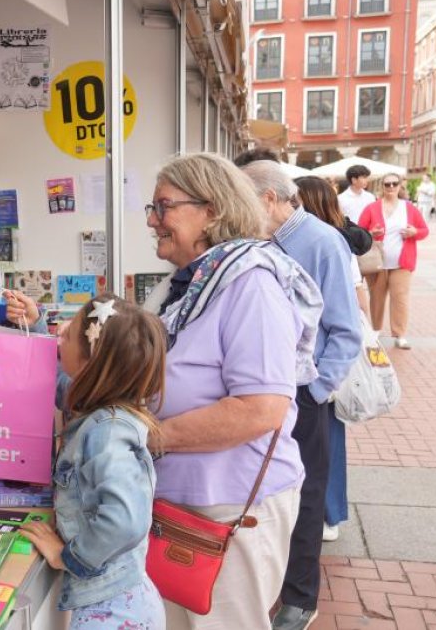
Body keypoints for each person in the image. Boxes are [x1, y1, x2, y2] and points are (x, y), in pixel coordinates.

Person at [144, 153, 321, 629]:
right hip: (186, 500)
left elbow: (259, 409)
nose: (151, 221)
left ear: (213, 210)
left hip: (230, 506)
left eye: (163, 207)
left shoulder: (250, 285)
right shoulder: (191, 282)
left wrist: (148, 437)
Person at [242, 162, 361, 630]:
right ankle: (270, 583)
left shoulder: (321, 242)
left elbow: (346, 331)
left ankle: (300, 598)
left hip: (301, 393)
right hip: (261, 392)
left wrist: (313, 391)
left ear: (269, 199)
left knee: (308, 496)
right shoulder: (259, 240)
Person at [19, 294, 166, 630]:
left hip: (112, 614)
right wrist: (36, 325)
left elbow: (125, 520)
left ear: (90, 365)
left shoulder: (107, 432)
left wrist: (66, 557)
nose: (61, 335)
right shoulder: (102, 404)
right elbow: (59, 384)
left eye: (67, 337)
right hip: (117, 600)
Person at [293, 174, 371, 539]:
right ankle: (328, 512)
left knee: (327, 438)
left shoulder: (327, 242)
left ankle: (330, 513)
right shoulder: (322, 238)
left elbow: (354, 302)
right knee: (326, 439)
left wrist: (324, 380)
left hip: (323, 365)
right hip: (318, 365)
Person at [358, 173, 429, 349]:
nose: (390, 187)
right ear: (382, 187)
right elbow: (359, 231)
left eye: (394, 184)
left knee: (400, 298)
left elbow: (424, 230)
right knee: (376, 297)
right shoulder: (372, 208)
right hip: (377, 263)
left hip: (402, 262)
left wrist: (414, 233)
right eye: (387, 184)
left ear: (400, 186)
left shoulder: (410, 208)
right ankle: (375, 330)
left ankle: (400, 334)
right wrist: (371, 234)